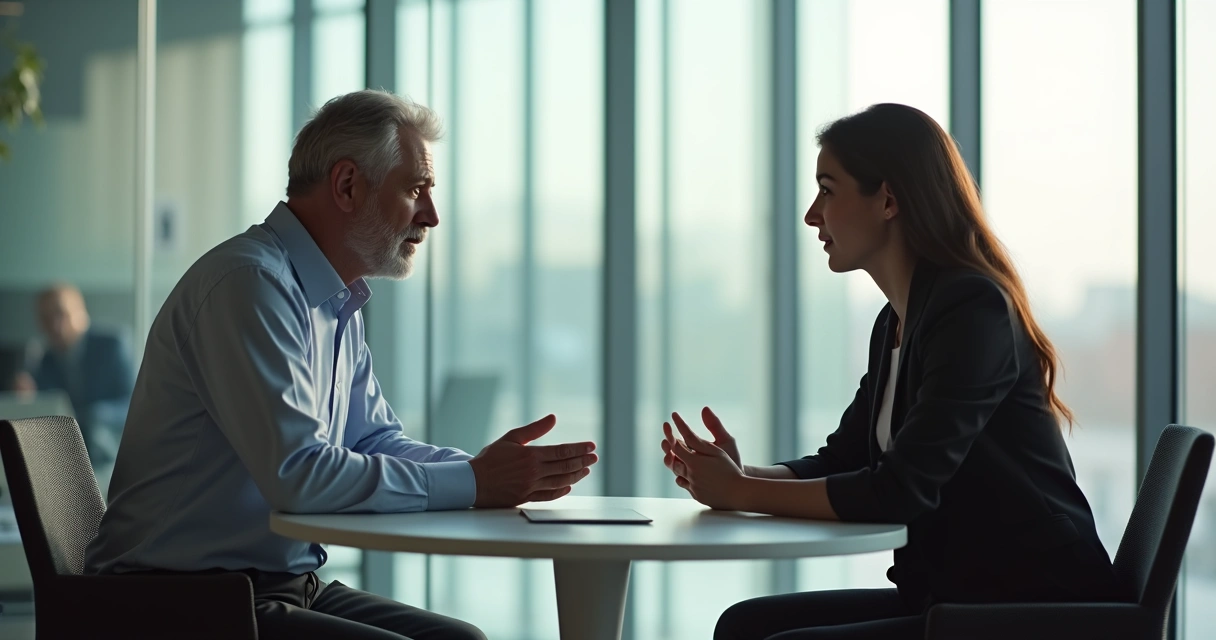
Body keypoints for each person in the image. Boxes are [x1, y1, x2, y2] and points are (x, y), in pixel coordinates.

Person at [85, 90, 598, 640]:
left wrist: (484, 471)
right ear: (348, 185)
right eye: (416, 189)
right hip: (173, 600)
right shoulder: (250, 285)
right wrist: (473, 482)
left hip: (275, 584)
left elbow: (375, 442)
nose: (432, 215)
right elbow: (299, 477)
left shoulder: (334, 301)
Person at [660, 103, 1127, 640]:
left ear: (886, 199)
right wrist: (741, 476)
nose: (812, 215)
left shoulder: (972, 309)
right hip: (953, 595)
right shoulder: (897, 320)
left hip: (1034, 604)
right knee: (744, 626)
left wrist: (741, 493)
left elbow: (900, 490)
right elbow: (845, 459)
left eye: (828, 190)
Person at [32, 283, 134, 466]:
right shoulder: (45, 360)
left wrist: (93, 416)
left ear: (81, 312)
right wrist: (29, 400)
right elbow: (47, 410)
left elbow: (132, 404)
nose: (54, 325)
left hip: (112, 452)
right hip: (67, 457)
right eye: (46, 318)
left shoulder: (111, 345)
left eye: (60, 314)